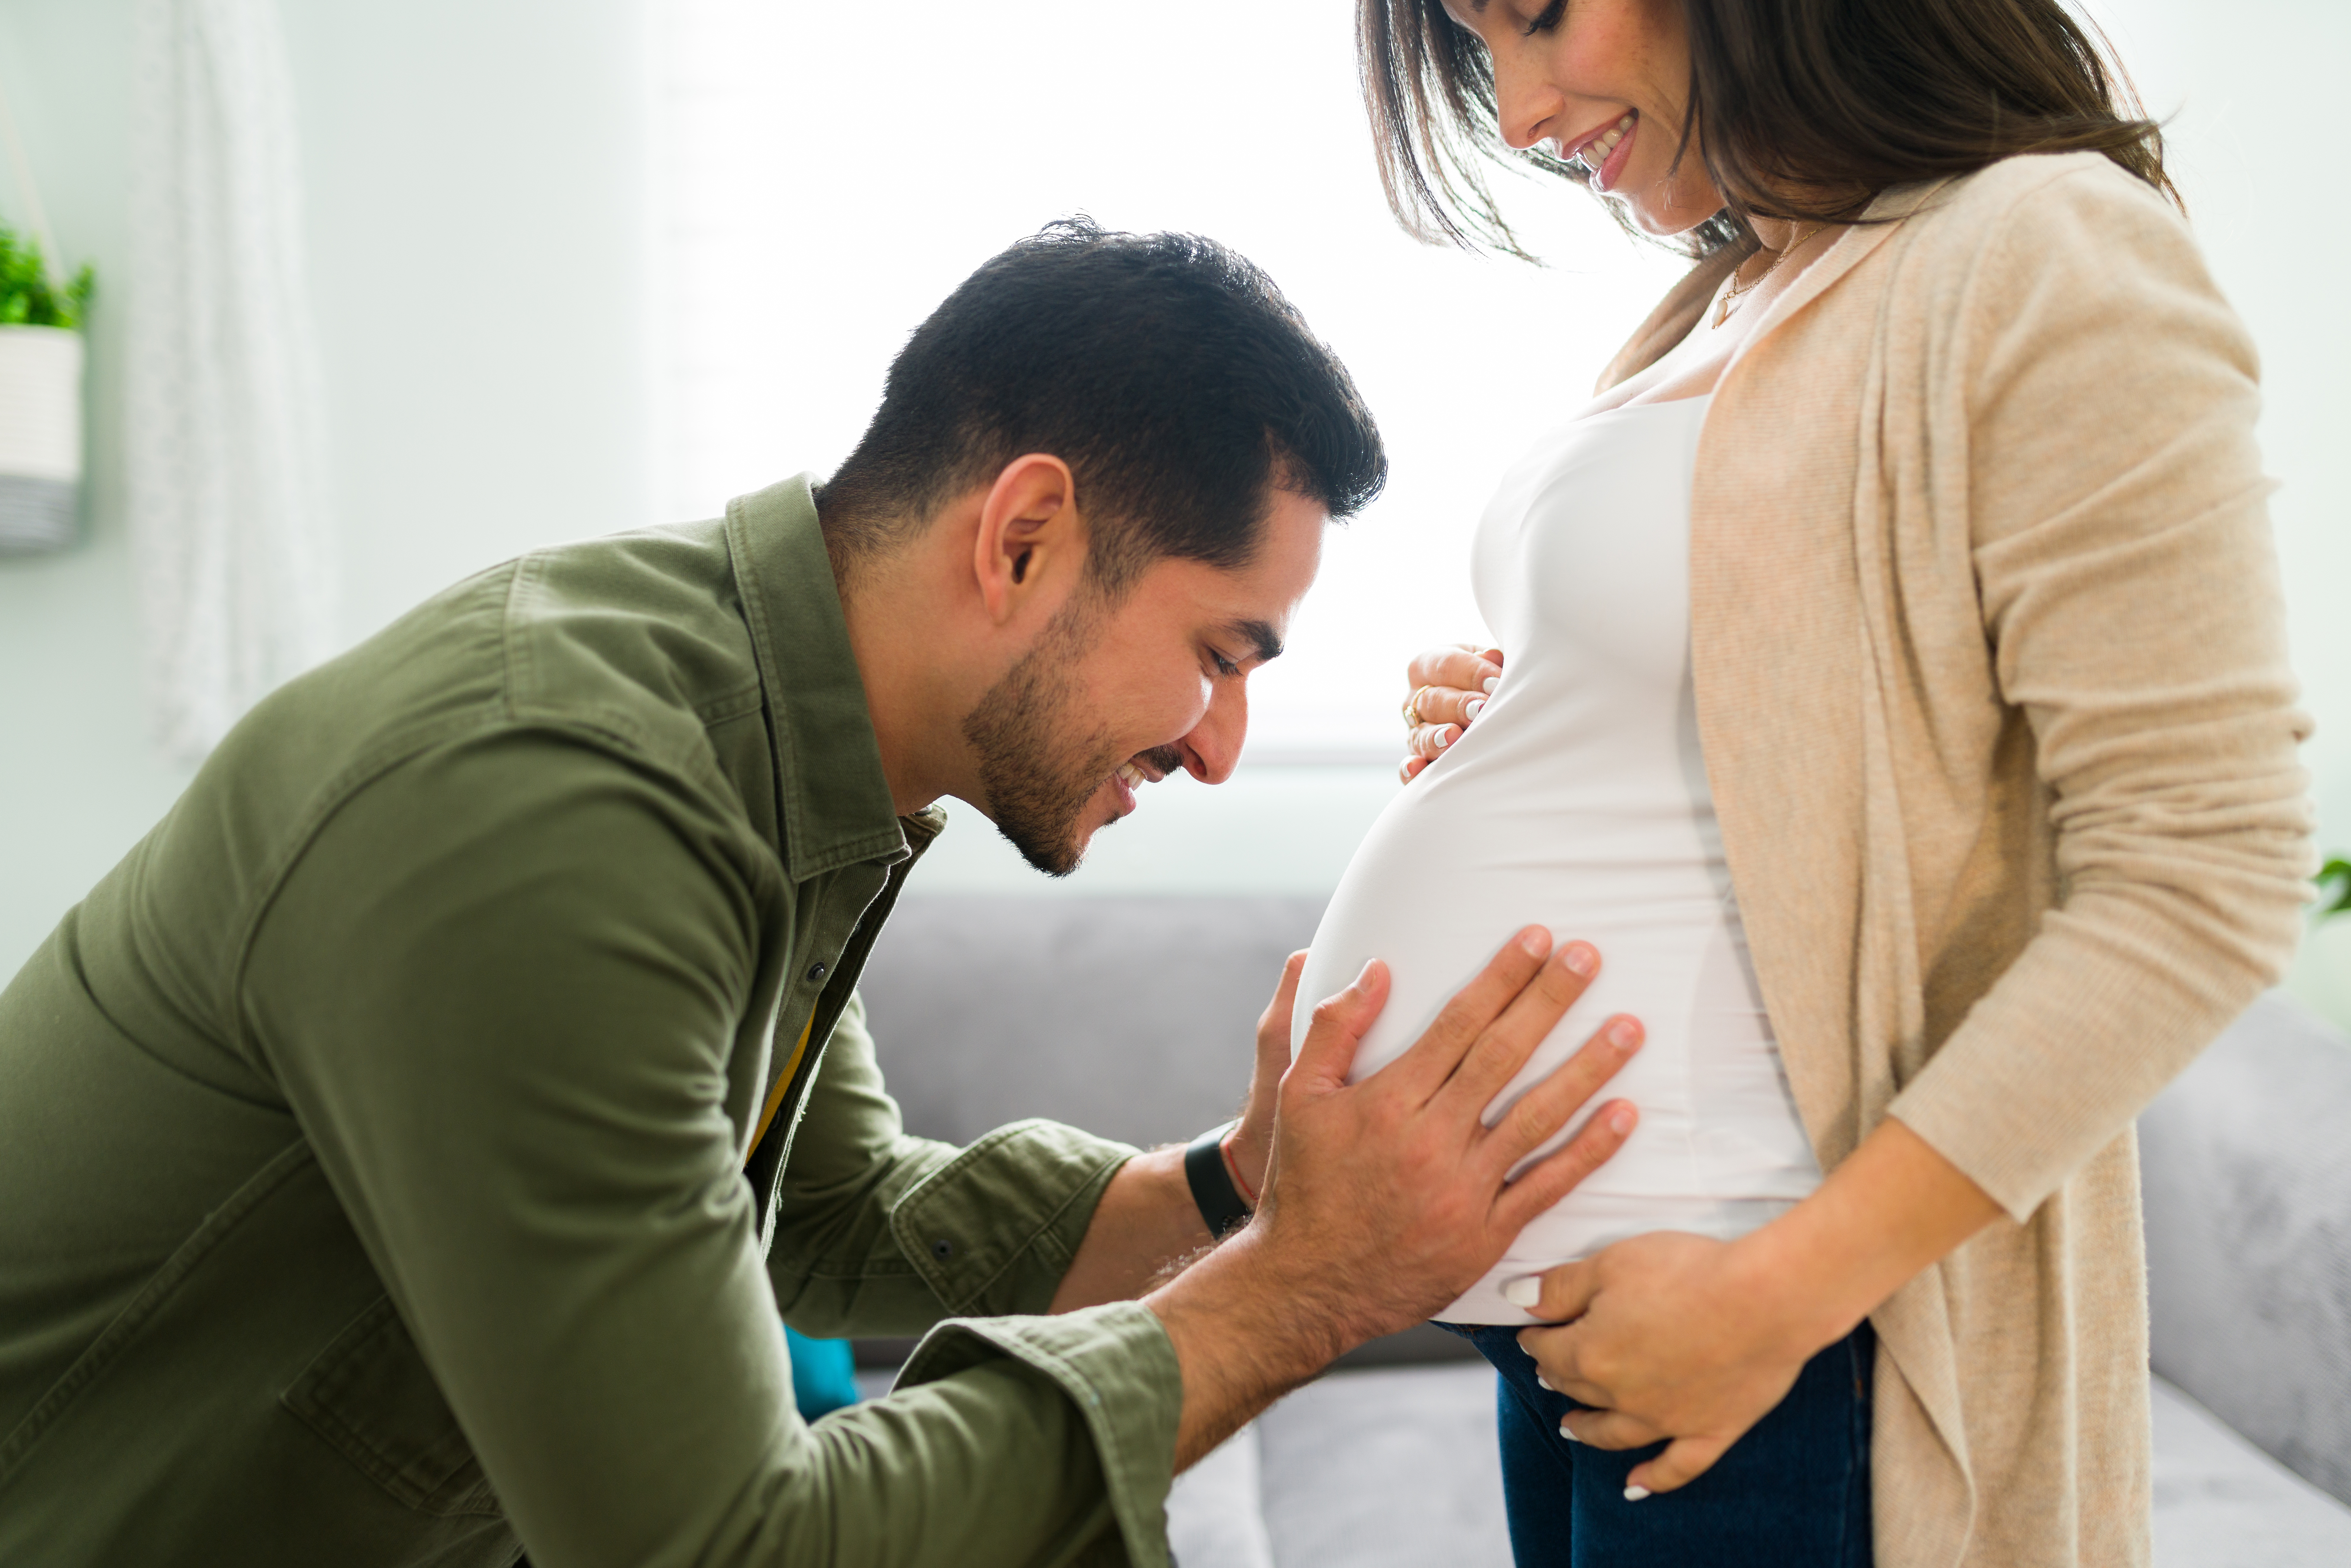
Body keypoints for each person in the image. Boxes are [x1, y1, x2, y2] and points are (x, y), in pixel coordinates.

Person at [0, 221, 1650, 1568]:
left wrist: (1231, 1182)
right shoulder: (562, 805)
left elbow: (834, 1216)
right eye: (1220, 655)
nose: (1223, 747)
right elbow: (724, 1547)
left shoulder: (778, 755)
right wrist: (1303, 1285)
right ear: (1023, 539)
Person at [1314, 1, 2316, 1564]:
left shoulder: (2047, 249)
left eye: (1537, 13)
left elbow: (2207, 874)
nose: (1513, 113)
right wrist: (1546, 707)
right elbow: (1817, 734)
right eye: (1474, 52)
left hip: (1778, 1345)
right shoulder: (1731, 289)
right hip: (1603, 1342)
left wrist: (1775, 1297)